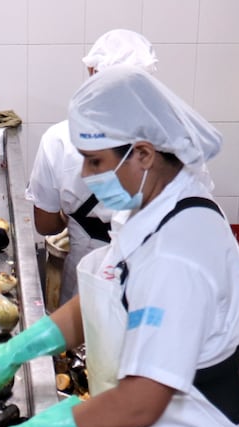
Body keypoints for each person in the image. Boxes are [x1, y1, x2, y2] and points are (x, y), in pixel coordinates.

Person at [0, 66, 239, 427]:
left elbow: (139, 405)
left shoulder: (177, 253)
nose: (86, 175)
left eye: (95, 161)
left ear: (143, 154)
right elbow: (106, 299)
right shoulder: (152, 209)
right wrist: (18, 351)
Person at [25, 30, 157, 308]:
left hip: (86, 284)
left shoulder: (60, 139)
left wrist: (69, 219)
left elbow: (45, 224)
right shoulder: (174, 142)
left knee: (86, 346)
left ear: (91, 72)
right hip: (154, 285)